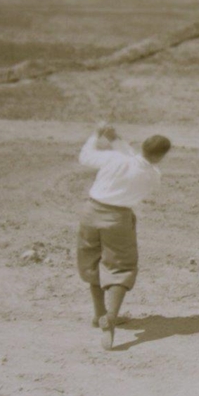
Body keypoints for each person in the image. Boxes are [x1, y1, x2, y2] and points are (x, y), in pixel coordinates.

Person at [77, 123, 171, 350]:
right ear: (160, 156)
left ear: (142, 147)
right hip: (117, 219)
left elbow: (86, 156)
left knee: (93, 262)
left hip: (90, 212)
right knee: (121, 267)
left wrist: (98, 135)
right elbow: (139, 161)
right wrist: (117, 140)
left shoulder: (114, 159)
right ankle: (109, 318)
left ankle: (98, 313)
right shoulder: (153, 175)